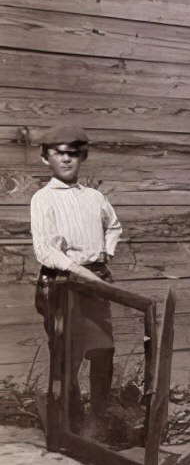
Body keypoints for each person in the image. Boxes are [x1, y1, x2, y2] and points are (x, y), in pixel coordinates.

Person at [30, 125, 122, 438]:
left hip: (94, 281)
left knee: (103, 350)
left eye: (73, 153)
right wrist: (80, 271)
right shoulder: (43, 200)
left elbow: (114, 226)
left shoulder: (95, 197)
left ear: (82, 156)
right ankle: (68, 426)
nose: (66, 160)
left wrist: (105, 255)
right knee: (66, 355)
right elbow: (45, 251)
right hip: (60, 283)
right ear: (46, 158)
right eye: (58, 153)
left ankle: (98, 421)